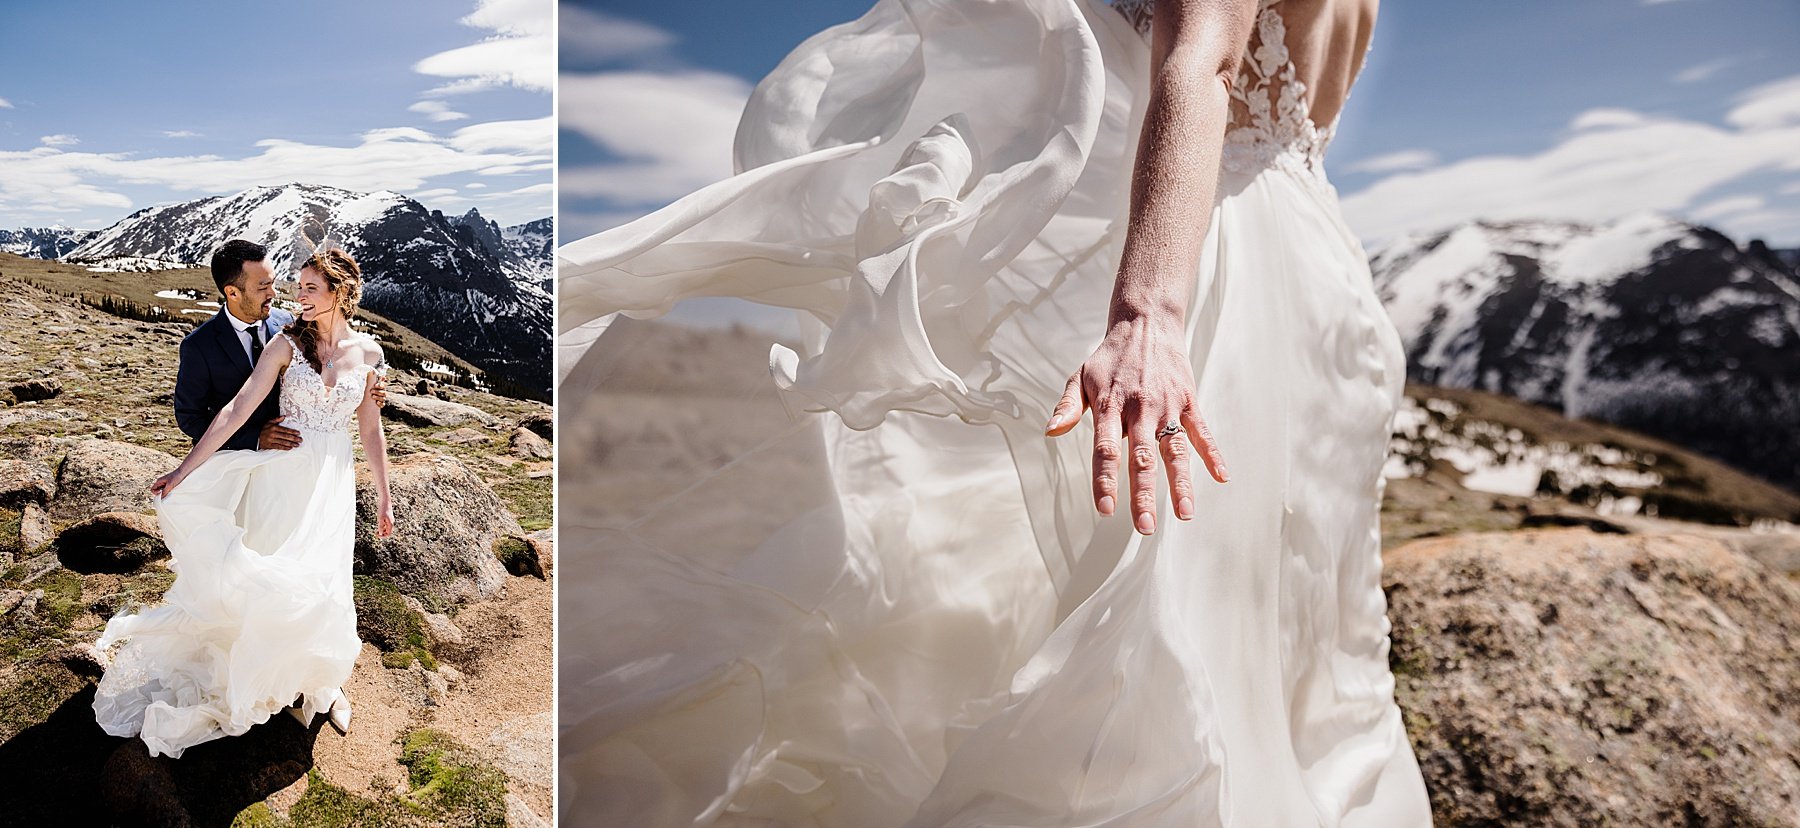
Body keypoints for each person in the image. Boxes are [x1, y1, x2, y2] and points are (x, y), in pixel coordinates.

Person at [557, 0, 1432, 824]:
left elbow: (1205, 62)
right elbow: (1300, 116)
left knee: (1178, 616)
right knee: (1282, 633)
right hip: (1317, 276)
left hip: (1204, 277)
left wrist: (1146, 316)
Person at [93, 247, 394, 759]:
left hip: (333, 481)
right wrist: (183, 470)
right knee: (274, 576)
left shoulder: (369, 354)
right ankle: (265, 673)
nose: (294, 296)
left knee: (325, 580)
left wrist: (385, 497)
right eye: (293, 287)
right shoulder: (285, 342)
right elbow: (233, 410)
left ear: (339, 293)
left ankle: (321, 683)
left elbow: (370, 426)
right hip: (280, 474)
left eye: (308, 288)